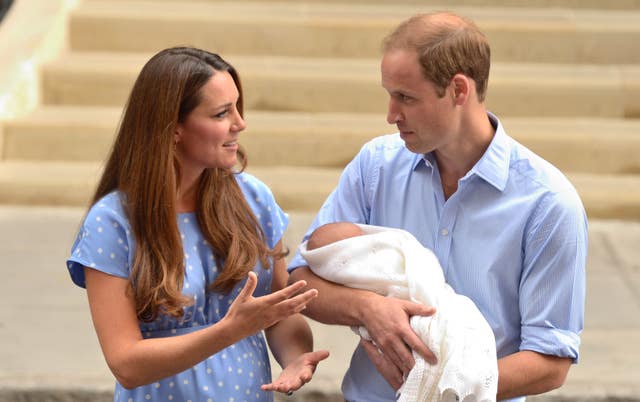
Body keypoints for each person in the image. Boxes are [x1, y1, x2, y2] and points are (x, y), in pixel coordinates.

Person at [288, 11, 587, 402]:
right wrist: (366, 308)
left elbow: (551, 361)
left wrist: (440, 390)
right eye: (390, 94)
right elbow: (302, 279)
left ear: (459, 90)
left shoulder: (548, 204)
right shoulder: (375, 165)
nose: (391, 114)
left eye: (406, 97)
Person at [66, 46, 329, 402]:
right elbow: (126, 363)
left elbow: (278, 312)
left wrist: (296, 358)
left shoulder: (253, 199)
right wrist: (230, 330)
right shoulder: (113, 222)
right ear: (174, 129)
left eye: (238, 107)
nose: (240, 123)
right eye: (222, 113)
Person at [301, 222, 498, 402]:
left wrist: (440, 380)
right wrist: (367, 306)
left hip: (445, 312)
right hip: (365, 396)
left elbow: (531, 362)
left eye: (363, 236)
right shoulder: (367, 183)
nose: (362, 240)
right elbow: (297, 285)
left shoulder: (528, 203)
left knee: (453, 331)